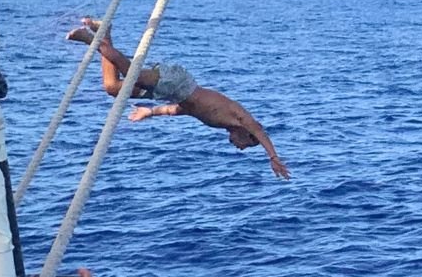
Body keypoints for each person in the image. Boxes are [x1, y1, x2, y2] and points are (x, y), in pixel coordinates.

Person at [67, 16, 290, 180]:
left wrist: (150, 112)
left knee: (112, 87)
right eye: (245, 146)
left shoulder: (219, 121)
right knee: (129, 70)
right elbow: (259, 129)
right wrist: (272, 157)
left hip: (170, 93)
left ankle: (104, 33)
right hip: (178, 82)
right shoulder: (239, 118)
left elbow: (181, 109)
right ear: (247, 136)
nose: (239, 148)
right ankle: (89, 38)